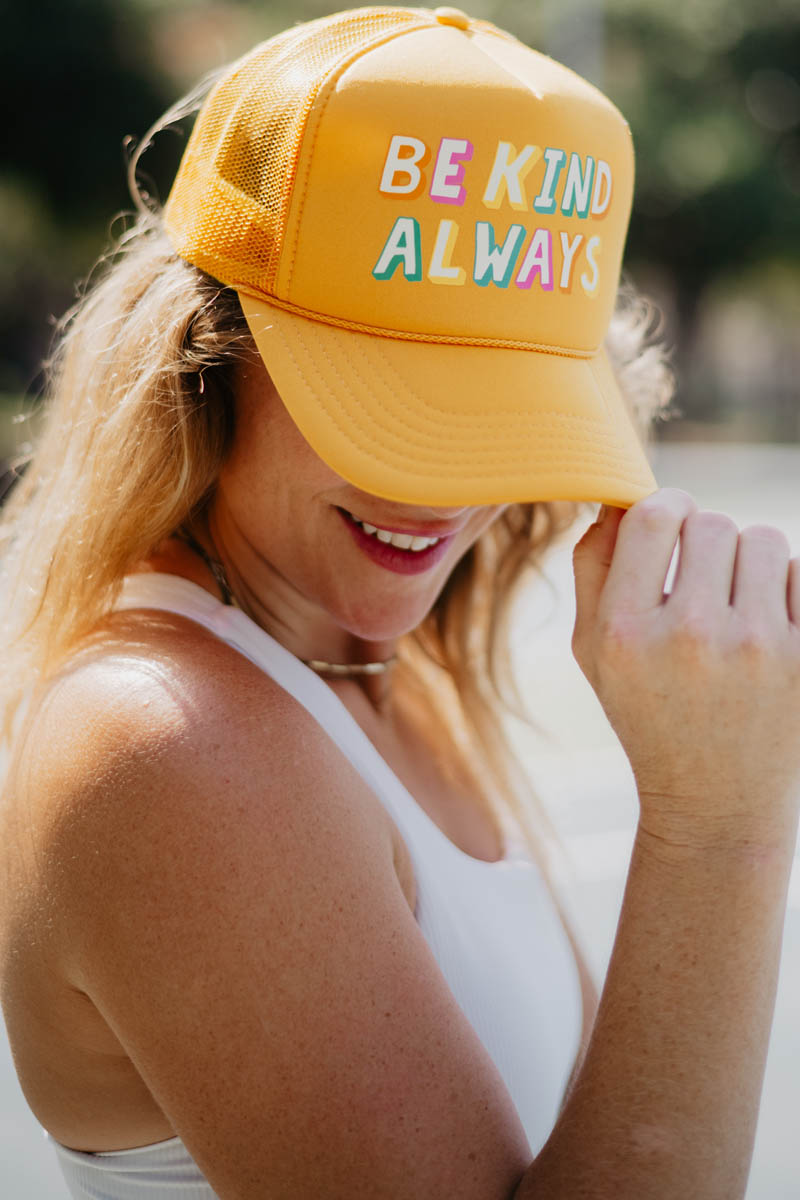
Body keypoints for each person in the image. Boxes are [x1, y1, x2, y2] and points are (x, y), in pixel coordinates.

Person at [0, 7, 798, 1199]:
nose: (443, 491)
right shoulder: (171, 742)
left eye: (498, 408)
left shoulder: (378, 660)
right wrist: (718, 828)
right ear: (206, 352)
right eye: (390, 398)